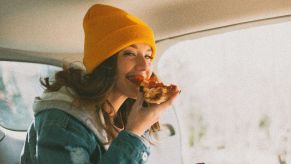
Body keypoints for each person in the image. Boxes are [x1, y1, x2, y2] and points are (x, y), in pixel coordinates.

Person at [20, 4, 180, 164]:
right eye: (129, 53)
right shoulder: (62, 122)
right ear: (106, 63)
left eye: (148, 56)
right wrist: (134, 133)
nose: (144, 67)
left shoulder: (122, 117)